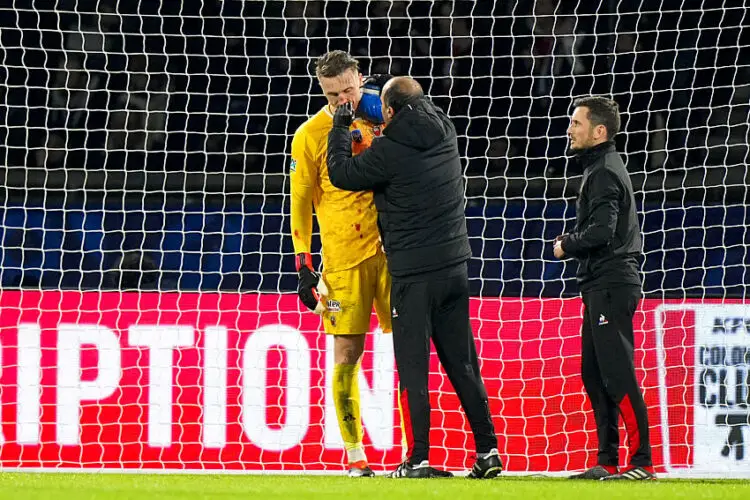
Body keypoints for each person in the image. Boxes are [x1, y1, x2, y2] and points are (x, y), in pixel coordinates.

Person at [327, 76, 502, 479]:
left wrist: (340, 126)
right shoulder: (444, 127)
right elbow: (407, 105)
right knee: (463, 364)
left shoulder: (389, 151)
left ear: (389, 112)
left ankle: (419, 457)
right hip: (455, 269)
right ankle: (488, 450)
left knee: (413, 368)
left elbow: (342, 173)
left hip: (413, 275)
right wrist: (376, 102)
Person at [289, 50, 393, 477]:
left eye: (349, 90)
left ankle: (412, 453)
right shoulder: (310, 134)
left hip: (390, 252)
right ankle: (354, 455)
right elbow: (299, 204)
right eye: (332, 95)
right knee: (347, 352)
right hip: (342, 260)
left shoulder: (385, 116)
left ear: (361, 79)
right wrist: (302, 264)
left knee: (407, 347)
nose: (342, 101)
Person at [554, 96, 655, 481]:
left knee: (616, 373)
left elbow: (601, 232)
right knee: (593, 373)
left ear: (599, 131)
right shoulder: (601, 167)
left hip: (612, 281)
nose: (570, 129)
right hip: (601, 282)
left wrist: (567, 244)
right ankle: (607, 459)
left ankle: (641, 462)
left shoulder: (604, 172)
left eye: (577, 123)